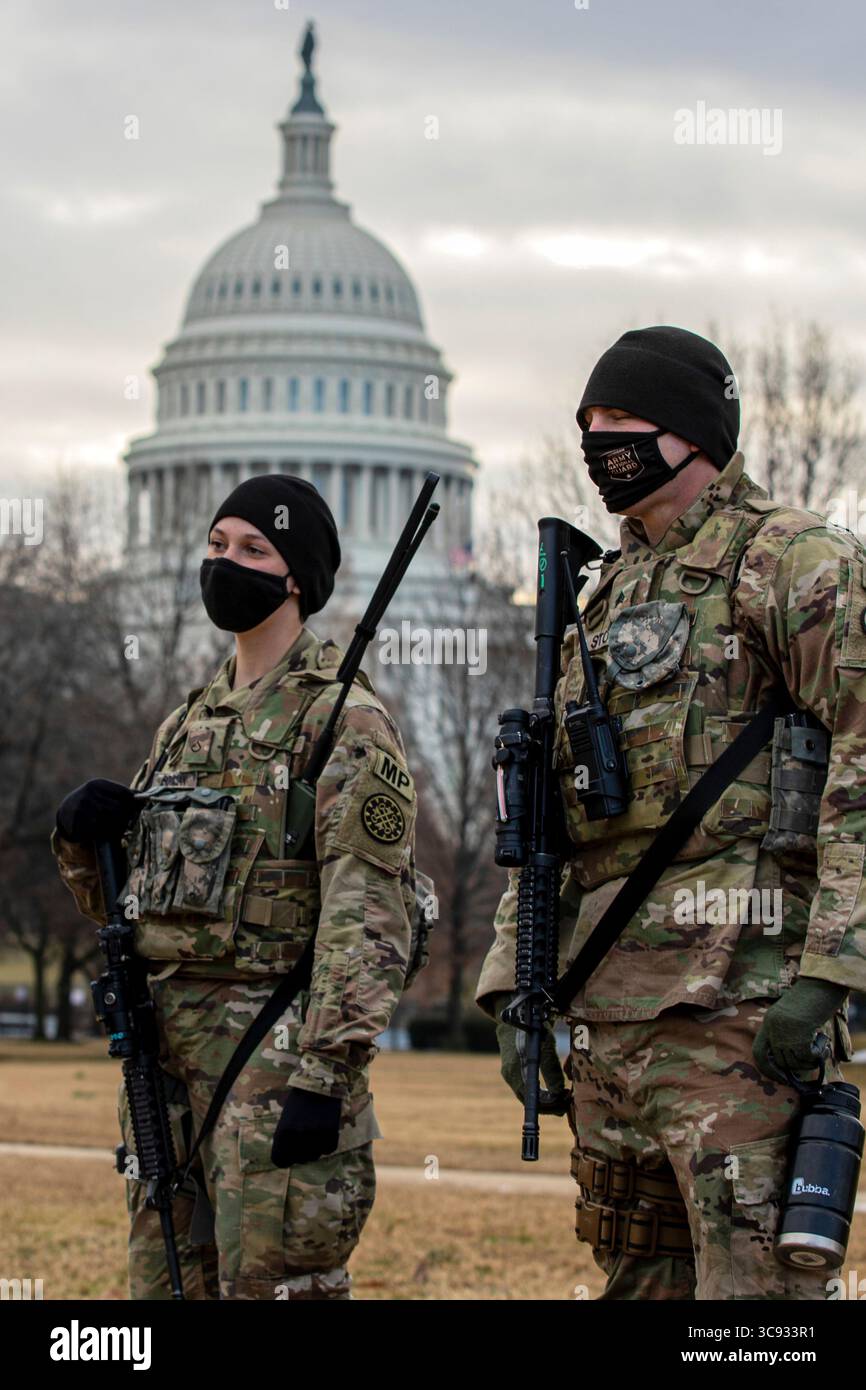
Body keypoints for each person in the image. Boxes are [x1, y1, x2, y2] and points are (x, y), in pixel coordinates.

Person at [477, 325, 866, 1300]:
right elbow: (545, 830)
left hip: (740, 1007)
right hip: (606, 1018)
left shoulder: (791, 561)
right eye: (586, 422)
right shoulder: (595, 603)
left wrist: (830, 968)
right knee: (636, 1284)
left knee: (752, 1303)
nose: (594, 439)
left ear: (691, 430)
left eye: (618, 419)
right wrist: (512, 991)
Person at [52, 474, 419, 1301]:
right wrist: (84, 845)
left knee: (274, 1289)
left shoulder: (343, 720)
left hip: (271, 1067)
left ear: (298, 579)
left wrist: (327, 1075)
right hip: (165, 1070)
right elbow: (135, 910)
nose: (226, 563)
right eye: (218, 545)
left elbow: (370, 921)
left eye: (253, 549)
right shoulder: (187, 724)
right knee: (163, 1291)